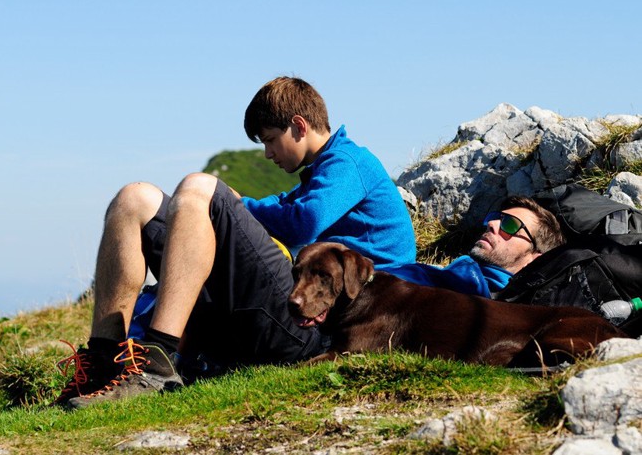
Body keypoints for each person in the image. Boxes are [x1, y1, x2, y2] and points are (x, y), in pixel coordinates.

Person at [55, 76, 416, 409]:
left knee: (200, 186)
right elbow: (291, 207)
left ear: (299, 126)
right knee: (133, 200)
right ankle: (103, 364)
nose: (268, 153)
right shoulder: (321, 174)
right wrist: (244, 208)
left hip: (320, 326)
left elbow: (305, 222)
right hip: (292, 312)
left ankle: (157, 365)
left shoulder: (349, 163)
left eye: (271, 139)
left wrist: (239, 205)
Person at [395, 196, 565, 297]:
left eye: (511, 225)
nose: (492, 224)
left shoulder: (471, 291)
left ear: (535, 259)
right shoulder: (460, 277)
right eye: (495, 217)